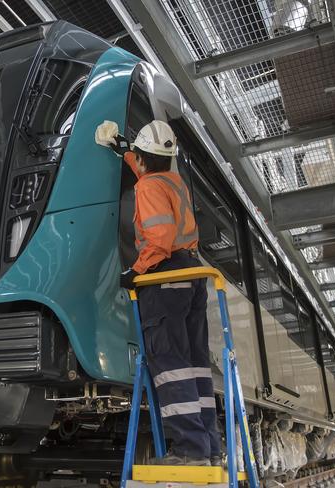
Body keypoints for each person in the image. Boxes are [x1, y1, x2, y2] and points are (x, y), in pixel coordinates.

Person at [96, 120, 221, 466]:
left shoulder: (148, 188)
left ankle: (190, 450)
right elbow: (147, 172)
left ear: (145, 158)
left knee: (168, 361)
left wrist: (135, 272)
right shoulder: (173, 181)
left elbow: (160, 239)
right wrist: (124, 151)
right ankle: (209, 448)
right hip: (192, 276)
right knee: (195, 364)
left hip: (164, 277)